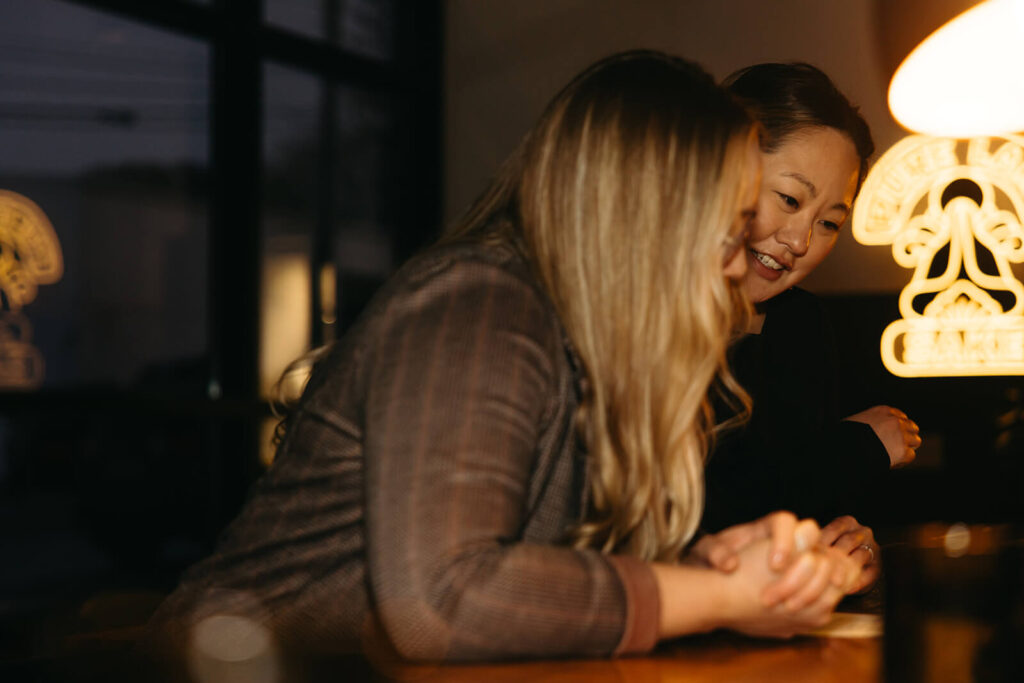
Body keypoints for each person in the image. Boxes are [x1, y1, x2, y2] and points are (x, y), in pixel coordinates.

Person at [140, 51, 861, 677]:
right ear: (655, 214)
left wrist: (707, 574)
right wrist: (720, 596)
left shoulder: (595, 345)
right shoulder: (481, 302)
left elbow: (544, 587)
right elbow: (439, 600)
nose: (741, 262)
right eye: (734, 228)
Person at [701, 62, 922, 594]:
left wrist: (852, 552)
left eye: (829, 223)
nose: (799, 241)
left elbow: (808, 516)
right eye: (790, 200)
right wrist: (858, 448)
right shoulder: (641, 314)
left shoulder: (802, 325)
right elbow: (702, 519)